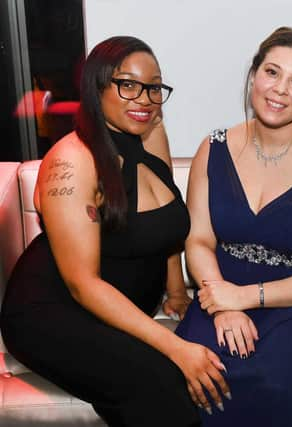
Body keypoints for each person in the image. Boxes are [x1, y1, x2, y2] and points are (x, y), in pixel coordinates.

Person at [0, 36, 230, 426]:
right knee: (161, 385)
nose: (144, 99)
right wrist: (176, 347)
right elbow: (83, 285)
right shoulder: (72, 161)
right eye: (128, 84)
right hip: (53, 312)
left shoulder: (151, 132)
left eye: (154, 87)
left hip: (118, 310)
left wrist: (176, 289)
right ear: (97, 86)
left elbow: (165, 222)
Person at [174, 27, 292, 426]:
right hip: (218, 290)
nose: (280, 90)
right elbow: (199, 240)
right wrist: (222, 306)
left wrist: (247, 297)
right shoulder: (214, 148)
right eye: (272, 73)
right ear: (254, 76)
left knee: (279, 383)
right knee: (194, 376)